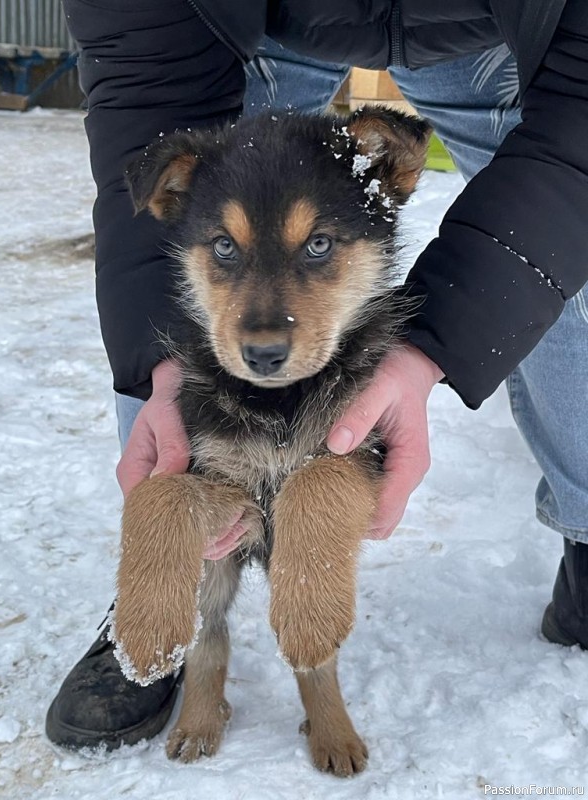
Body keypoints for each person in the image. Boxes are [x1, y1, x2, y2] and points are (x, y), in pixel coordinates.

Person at [46, 0, 588, 751]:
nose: (268, 324)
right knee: (233, 200)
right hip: (253, 17)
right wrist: (158, 367)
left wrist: (432, 349)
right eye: (226, 255)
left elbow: (575, 157)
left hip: (502, 24)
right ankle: (162, 597)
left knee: (560, 252)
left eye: (321, 248)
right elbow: (147, 82)